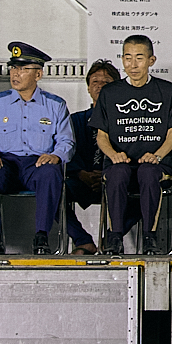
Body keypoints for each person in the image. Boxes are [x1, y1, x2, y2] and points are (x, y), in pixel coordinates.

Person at [0, 41, 73, 255]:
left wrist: (56, 155)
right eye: (14, 68)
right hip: (5, 164)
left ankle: (42, 236)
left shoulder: (55, 105)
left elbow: (66, 141)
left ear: (38, 75)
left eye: (24, 69)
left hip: (36, 164)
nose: (16, 74)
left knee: (51, 172)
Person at [94, 35, 172, 256]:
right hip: (121, 162)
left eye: (139, 58)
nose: (132, 64)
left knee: (148, 173)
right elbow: (101, 135)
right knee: (117, 174)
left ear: (151, 60)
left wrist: (157, 155)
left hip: (156, 163)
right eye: (127, 58)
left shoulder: (166, 90)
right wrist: (113, 154)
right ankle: (114, 237)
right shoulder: (110, 92)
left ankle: (150, 237)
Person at [62, 60, 120, 255]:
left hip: (116, 178)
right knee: (52, 190)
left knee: (142, 189)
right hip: (82, 179)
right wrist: (81, 174)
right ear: (88, 88)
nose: (100, 85)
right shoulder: (76, 119)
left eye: (106, 81)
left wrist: (106, 174)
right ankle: (83, 240)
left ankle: (111, 239)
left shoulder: (125, 119)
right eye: (95, 81)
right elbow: (66, 148)